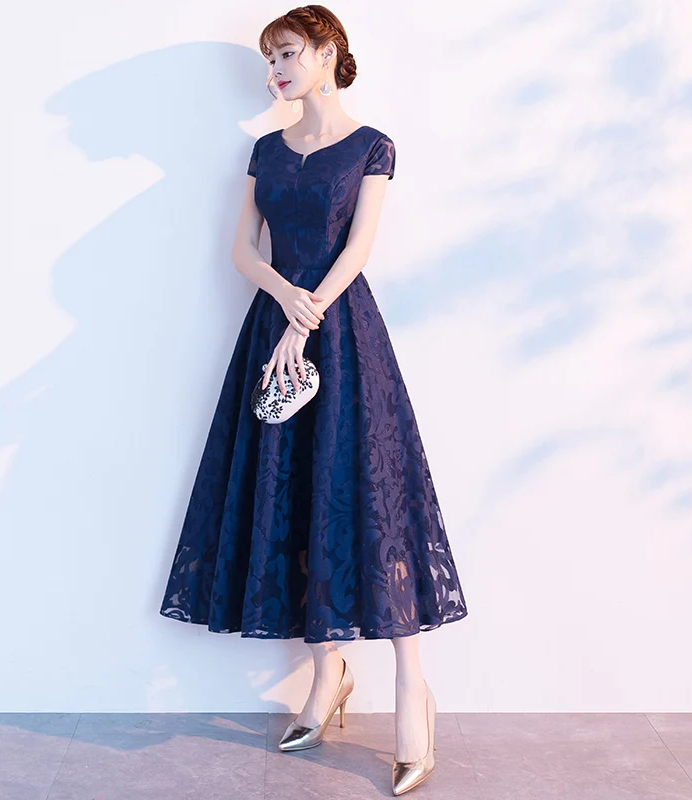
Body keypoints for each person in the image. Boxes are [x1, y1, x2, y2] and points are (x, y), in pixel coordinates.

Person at [160, 5, 468, 795]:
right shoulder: (266, 150)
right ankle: (328, 674)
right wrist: (284, 300)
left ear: (328, 50)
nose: (276, 71)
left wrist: (309, 314)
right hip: (275, 330)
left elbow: (360, 246)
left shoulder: (372, 147)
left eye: (287, 53)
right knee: (291, 499)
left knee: (373, 504)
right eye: (269, 60)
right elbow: (240, 250)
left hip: (342, 337)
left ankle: (412, 691)